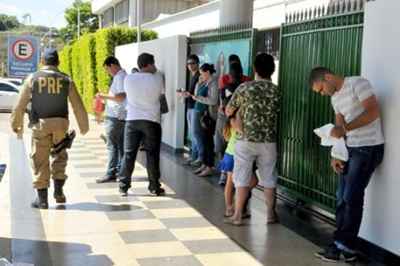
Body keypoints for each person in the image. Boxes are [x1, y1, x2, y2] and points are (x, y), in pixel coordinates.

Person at [309, 67, 384, 263]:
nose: (323, 93)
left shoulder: (358, 83)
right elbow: (339, 130)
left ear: (327, 77)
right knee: (342, 198)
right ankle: (347, 248)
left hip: (368, 148)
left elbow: (373, 111)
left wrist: (345, 128)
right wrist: (336, 155)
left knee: (351, 197)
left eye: (321, 89)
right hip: (349, 150)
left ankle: (340, 245)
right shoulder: (335, 99)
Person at [10, 49, 89, 209]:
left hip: (40, 124)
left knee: (40, 159)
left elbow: (20, 103)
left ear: (42, 62)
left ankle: (42, 199)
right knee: (60, 155)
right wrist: (84, 126)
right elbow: (78, 105)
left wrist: (15, 123)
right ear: (58, 62)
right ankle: (59, 192)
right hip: (61, 124)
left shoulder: (33, 78)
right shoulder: (67, 79)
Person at [225, 53, 280, 226]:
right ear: (272, 70)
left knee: (241, 178)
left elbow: (228, 110)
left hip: (245, 139)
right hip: (268, 141)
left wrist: (236, 117)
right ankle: (271, 214)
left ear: (255, 69)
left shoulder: (244, 88)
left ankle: (238, 215)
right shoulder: (276, 90)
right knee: (269, 179)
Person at [116, 53, 167, 196]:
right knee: (152, 155)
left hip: (132, 121)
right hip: (151, 121)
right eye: (153, 63)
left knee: (129, 154)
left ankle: (123, 186)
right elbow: (161, 91)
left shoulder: (128, 79)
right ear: (149, 64)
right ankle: (154, 187)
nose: (155, 66)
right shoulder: (157, 79)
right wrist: (155, 70)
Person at [95, 56, 127, 183]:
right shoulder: (123, 76)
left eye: (107, 69)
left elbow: (120, 97)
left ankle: (111, 172)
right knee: (119, 146)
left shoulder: (119, 77)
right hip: (119, 116)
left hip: (114, 116)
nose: (108, 72)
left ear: (112, 65)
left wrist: (103, 96)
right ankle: (120, 170)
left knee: (112, 145)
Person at [221, 112, 258, 218]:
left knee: (231, 182)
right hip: (236, 155)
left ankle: (231, 207)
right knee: (250, 181)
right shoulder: (238, 122)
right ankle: (231, 207)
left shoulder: (230, 121)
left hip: (230, 154)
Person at [216, 62, 247, 185]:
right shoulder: (245, 87)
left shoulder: (226, 87)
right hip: (241, 119)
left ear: (230, 74)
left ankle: (224, 174)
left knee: (223, 144)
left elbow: (222, 103)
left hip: (226, 118)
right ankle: (235, 175)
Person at [185, 63, 218, 177]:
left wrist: (198, 98)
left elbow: (213, 100)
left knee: (208, 141)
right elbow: (197, 92)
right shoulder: (206, 82)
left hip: (209, 116)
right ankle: (205, 164)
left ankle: (209, 166)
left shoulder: (213, 83)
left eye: (202, 73)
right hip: (204, 114)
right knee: (204, 139)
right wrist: (199, 83)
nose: (201, 75)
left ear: (207, 72)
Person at [178, 54, 201, 166]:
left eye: (192, 63)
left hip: (195, 108)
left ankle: (196, 157)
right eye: (188, 63)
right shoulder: (192, 76)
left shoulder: (199, 76)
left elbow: (197, 94)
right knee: (193, 134)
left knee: (195, 134)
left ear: (197, 63)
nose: (190, 65)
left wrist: (187, 94)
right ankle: (193, 156)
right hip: (190, 107)